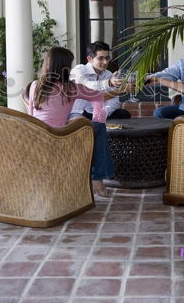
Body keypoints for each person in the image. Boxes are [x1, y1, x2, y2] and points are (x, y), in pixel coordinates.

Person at [28, 47, 130, 197]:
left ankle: (97, 179)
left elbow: (31, 113)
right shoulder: (71, 88)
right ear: (65, 67)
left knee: (91, 124)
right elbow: (98, 96)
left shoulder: (35, 85)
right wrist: (99, 115)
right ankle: (98, 179)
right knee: (97, 127)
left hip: (34, 136)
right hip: (59, 138)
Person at [147, 31, 184, 119]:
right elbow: (166, 75)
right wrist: (143, 79)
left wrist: (157, 79)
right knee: (159, 113)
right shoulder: (182, 64)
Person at [70, 41, 131, 120]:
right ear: (89, 59)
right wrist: (109, 83)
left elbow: (114, 100)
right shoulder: (79, 70)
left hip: (97, 112)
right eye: (100, 58)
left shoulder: (108, 74)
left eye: (107, 58)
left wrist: (104, 113)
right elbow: (88, 87)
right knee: (82, 121)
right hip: (79, 112)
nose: (105, 62)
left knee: (124, 114)